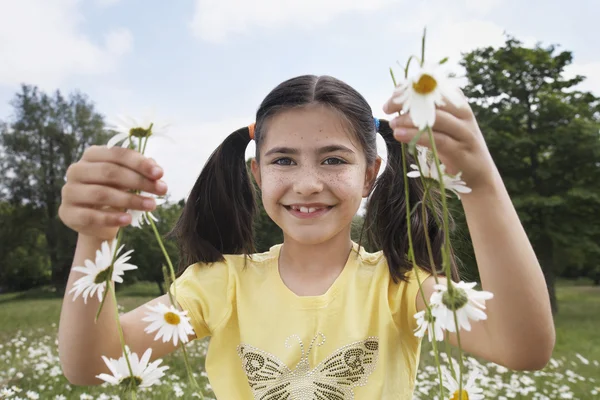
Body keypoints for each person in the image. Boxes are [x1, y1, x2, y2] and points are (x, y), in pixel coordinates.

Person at [57, 75, 555, 399]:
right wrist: (95, 236)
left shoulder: (402, 286)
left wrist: (481, 184)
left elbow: (522, 348)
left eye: (334, 159)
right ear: (256, 173)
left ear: (370, 174)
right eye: (284, 160)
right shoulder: (218, 284)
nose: (308, 183)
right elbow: (91, 363)